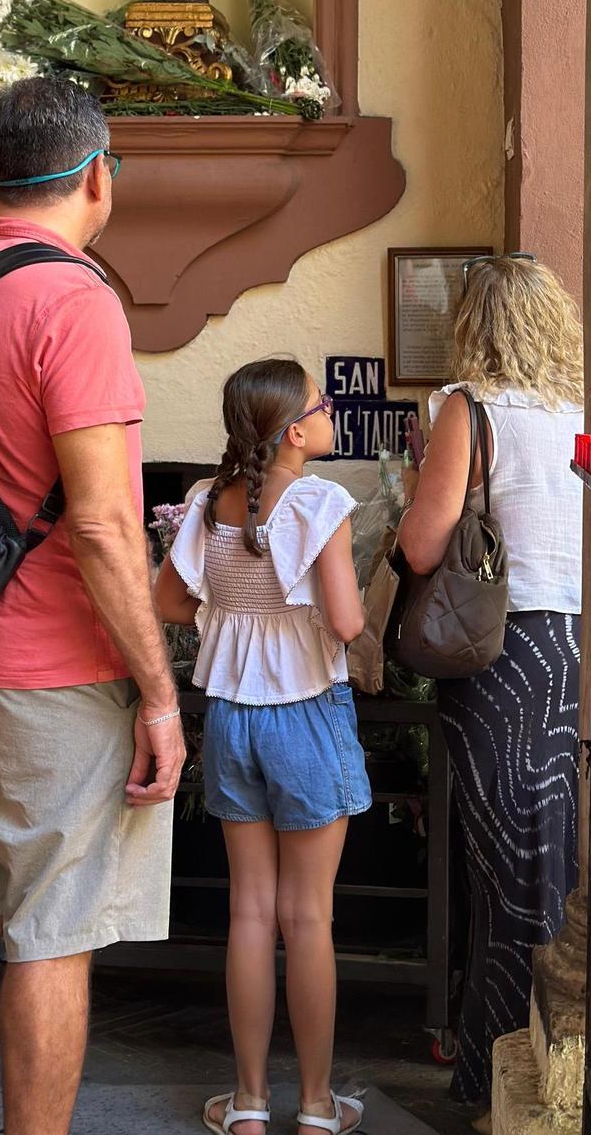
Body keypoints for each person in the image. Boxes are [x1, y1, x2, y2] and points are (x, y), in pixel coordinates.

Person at [0, 77, 186, 1135]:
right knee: (54, 930)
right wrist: (158, 697)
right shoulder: (75, 298)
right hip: (57, 674)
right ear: (95, 175)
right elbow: (107, 526)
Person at [155, 359, 369, 1135]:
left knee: (250, 912)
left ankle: (247, 1104)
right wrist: (320, 615)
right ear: (293, 431)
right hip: (307, 715)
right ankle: (315, 1107)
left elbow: (170, 600)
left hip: (233, 720)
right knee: (308, 919)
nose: (330, 410)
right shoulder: (319, 502)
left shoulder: (207, 505)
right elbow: (344, 622)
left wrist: (232, 614)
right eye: (321, 402)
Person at [397, 254, 585, 1108]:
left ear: (475, 326)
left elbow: (422, 548)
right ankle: (531, 1073)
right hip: (576, 650)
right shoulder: (580, 415)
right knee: (552, 865)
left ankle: (513, 1090)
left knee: (506, 876)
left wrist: (412, 487)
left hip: (497, 657)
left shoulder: (467, 413)